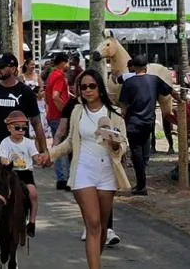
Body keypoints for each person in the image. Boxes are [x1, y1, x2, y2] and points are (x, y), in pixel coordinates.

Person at [45, 69, 129, 267]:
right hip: (83, 170)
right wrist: (49, 155)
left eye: (92, 86)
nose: (87, 90)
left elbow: (124, 144)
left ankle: (95, 262)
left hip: (108, 173)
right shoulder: (77, 112)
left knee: (100, 225)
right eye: (83, 87)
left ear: (100, 88)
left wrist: (116, 145)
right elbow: (69, 143)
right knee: (92, 224)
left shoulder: (114, 114)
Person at [118, 55, 178, 195]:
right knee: (144, 151)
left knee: (136, 152)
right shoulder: (154, 80)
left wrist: (121, 116)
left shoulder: (129, 83)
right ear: (146, 67)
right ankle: (142, 177)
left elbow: (123, 105)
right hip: (149, 122)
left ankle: (141, 185)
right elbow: (170, 91)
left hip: (133, 122)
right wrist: (181, 100)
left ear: (133, 67)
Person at [0, 52, 48, 164]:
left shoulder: (26, 93)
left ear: (12, 68)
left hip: (20, 156)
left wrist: (44, 150)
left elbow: (37, 123)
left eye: (1, 67)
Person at [0, 110, 43, 237]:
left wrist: (39, 158)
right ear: (9, 128)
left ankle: (32, 222)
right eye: (17, 128)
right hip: (11, 173)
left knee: (33, 193)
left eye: (24, 128)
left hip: (25, 173)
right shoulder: (5, 142)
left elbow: (35, 156)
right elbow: (2, 158)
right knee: (1, 194)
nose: (21, 131)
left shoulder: (28, 142)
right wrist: (5, 163)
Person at [45, 53, 72, 190]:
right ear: (62, 63)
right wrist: (65, 112)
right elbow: (56, 96)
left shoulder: (51, 75)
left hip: (52, 115)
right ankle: (64, 178)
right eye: (68, 62)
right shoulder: (59, 76)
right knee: (63, 148)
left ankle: (61, 178)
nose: (69, 65)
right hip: (58, 116)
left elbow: (49, 96)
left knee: (59, 146)